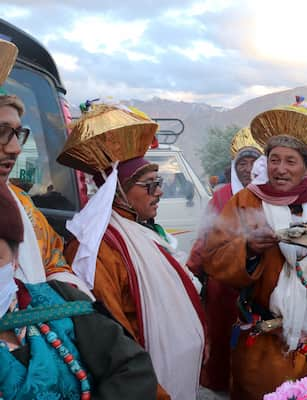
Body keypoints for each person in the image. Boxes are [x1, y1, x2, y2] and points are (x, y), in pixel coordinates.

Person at [200, 99, 307, 400]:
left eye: (290, 161)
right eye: (274, 160)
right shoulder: (245, 202)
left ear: (306, 167)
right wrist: (249, 248)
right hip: (268, 340)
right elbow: (213, 256)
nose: (280, 169)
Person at [60, 103, 205, 400]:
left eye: (159, 183)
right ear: (119, 191)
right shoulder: (95, 249)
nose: (160, 192)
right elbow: (113, 330)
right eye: (149, 185)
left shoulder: (143, 230)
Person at [0, 181, 158, 399]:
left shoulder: (61, 302)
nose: (158, 192)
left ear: (16, 258)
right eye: (150, 184)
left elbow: (133, 369)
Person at [187, 127, 262, 392]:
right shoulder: (221, 195)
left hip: (257, 281)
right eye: (243, 162)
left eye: (254, 162)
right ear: (234, 166)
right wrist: (192, 271)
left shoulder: (268, 195)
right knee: (221, 337)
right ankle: (220, 383)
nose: (248, 168)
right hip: (223, 284)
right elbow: (206, 236)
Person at [0, 91, 90, 294]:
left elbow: (54, 262)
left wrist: (56, 304)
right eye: (2, 132)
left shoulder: (22, 202)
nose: (15, 148)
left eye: (18, 134)